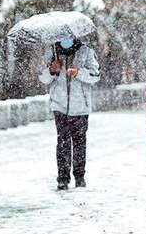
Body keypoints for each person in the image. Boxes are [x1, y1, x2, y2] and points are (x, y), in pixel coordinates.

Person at [38, 37, 100, 190]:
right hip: (59, 105)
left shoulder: (86, 51)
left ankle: (79, 177)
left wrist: (79, 72)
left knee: (79, 142)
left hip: (80, 107)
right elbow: (42, 77)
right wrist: (52, 70)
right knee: (63, 142)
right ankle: (63, 178)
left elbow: (95, 75)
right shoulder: (52, 51)